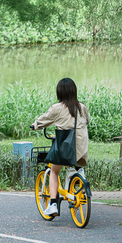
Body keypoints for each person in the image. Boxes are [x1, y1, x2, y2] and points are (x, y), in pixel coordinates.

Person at [31, 77, 90, 218]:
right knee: (76, 164)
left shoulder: (57, 108)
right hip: (81, 148)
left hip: (65, 148)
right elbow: (87, 120)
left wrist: (35, 125)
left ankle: (52, 204)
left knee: (54, 171)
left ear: (59, 92)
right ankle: (78, 174)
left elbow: (44, 119)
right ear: (74, 91)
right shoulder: (82, 107)